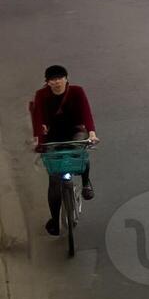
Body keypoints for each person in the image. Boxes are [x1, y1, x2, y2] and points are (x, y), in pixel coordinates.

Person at [28, 64, 98, 236]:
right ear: (48, 83)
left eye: (60, 78)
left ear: (66, 79)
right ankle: (54, 220)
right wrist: (38, 140)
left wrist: (92, 133)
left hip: (75, 130)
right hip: (53, 135)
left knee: (81, 149)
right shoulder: (41, 95)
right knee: (53, 181)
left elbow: (87, 113)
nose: (57, 82)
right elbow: (37, 120)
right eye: (52, 79)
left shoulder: (77, 91)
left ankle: (86, 182)